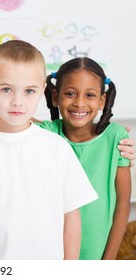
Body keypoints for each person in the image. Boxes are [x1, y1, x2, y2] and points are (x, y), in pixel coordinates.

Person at [0, 40, 98, 260]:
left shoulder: (56, 147)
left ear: (43, 90)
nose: (17, 102)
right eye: (7, 89)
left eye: (29, 91)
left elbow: (71, 215)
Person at [41, 57, 131, 259]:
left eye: (89, 95)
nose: (79, 103)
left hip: (96, 252)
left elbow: (123, 204)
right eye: (70, 93)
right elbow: (12, 122)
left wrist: (108, 261)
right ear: (55, 97)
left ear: (102, 101)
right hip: (51, 251)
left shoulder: (116, 137)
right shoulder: (44, 135)